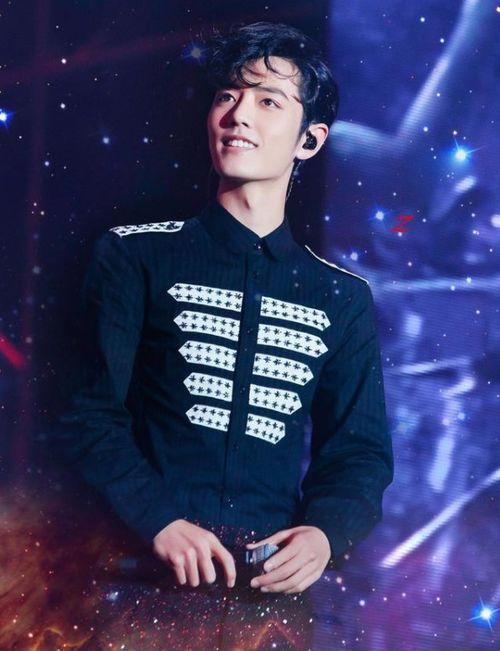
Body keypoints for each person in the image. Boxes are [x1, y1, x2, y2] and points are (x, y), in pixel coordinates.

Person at [58, 20, 393, 647]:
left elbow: (360, 452)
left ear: (310, 139)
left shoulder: (340, 297)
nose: (239, 115)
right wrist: (158, 520)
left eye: (269, 101)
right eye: (227, 96)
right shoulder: (135, 256)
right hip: (141, 588)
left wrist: (326, 534)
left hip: (270, 608)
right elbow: (88, 416)